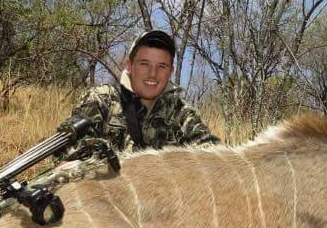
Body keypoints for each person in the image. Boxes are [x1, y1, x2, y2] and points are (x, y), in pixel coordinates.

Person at [68, 29, 219, 153]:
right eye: (144, 64)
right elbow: (69, 149)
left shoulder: (181, 112)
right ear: (129, 65)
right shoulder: (101, 100)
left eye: (162, 66)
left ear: (171, 71)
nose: (152, 74)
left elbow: (210, 150)